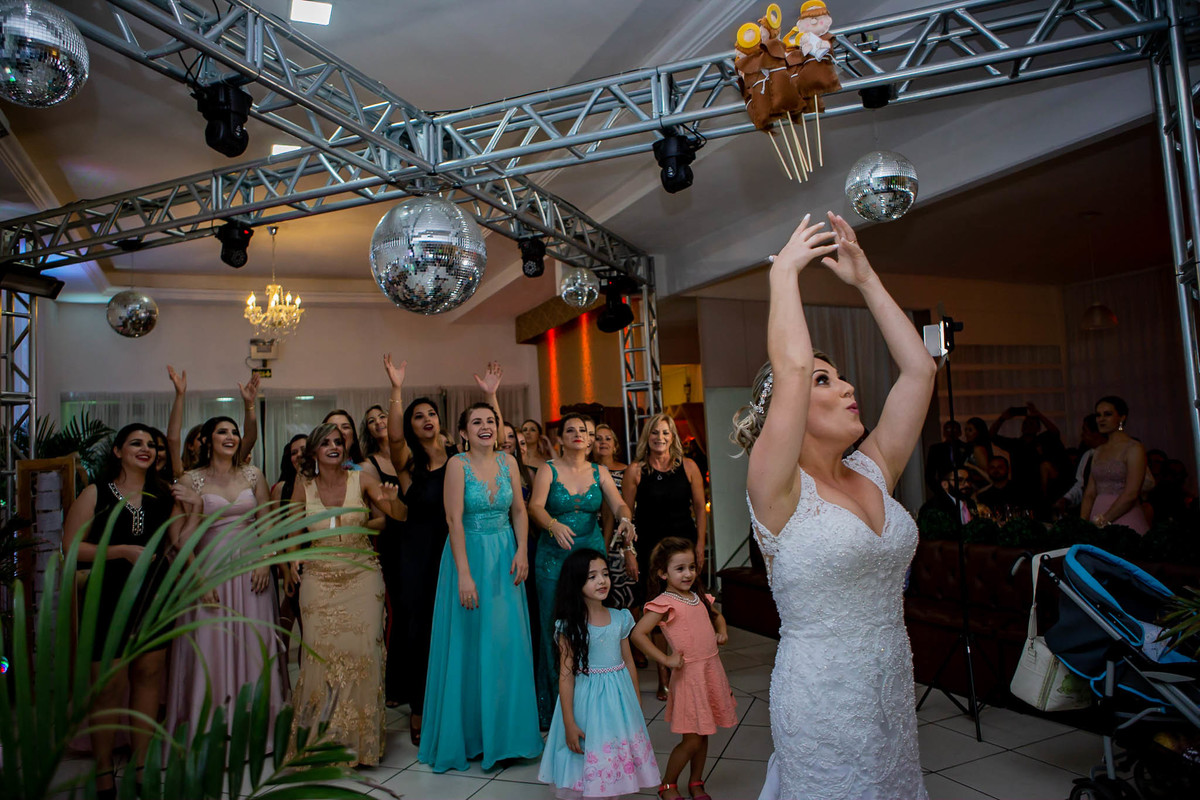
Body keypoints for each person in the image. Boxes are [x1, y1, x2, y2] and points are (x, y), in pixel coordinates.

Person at [734, 212, 933, 799]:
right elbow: (791, 368)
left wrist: (867, 279)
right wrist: (785, 277)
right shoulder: (776, 488)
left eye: (843, 377)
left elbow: (919, 369)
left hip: (891, 682)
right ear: (789, 412)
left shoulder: (876, 468)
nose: (848, 387)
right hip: (821, 696)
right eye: (826, 381)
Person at [62, 424, 199, 800]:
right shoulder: (96, 493)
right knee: (107, 687)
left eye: (151, 445)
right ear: (118, 450)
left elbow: (181, 545)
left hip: (155, 594)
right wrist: (120, 551)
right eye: (136, 443)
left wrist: (197, 508)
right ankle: (104, 773)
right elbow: (71, 548)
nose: (146, 449)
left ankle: (141, 767)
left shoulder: (161, 495)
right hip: (107, 597)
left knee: (149, 679)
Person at [383, 355, 504, 745]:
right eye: (418, 416)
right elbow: (395, 439)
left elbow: (496, 446)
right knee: (421, 634)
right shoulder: (407, 465)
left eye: (431, 413)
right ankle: (420, 710)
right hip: (418, 555)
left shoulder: (461, 457)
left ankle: (461, 709)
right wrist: (397, 390)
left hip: (458, 549)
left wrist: (490, 397)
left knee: (457, 633)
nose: (426, 420)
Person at [418, 401, 544, 773]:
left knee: (505, 645)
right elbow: (453, 520)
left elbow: (519, 511)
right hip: (469, 556)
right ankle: (472, 737)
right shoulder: (457, 465)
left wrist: (522, 550)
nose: (485, 426)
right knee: (470, 646)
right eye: (477, 422)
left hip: (505, 555)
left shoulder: (508, 462)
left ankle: (507, 737)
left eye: (490, 421)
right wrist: (464, 574)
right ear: (463, 432)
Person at [286, 422, 406, 767]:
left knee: (363, 654)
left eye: (338, 441)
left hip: (361, 577)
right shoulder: (303, 484)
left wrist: (393, 501)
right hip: (319, 579)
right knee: (321, 659)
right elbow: (292, 526)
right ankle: (320, 744)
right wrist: (291, 559)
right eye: (325, 443)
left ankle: (360, 747)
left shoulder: (362, 477)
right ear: (313, 452)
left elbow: (399, 516)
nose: (333, 447)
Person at [166, 416, 288, 741]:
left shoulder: (253, 474)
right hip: (211, 569)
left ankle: (258, 728)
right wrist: (197, 579)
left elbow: (267, 521)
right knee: (212, 646)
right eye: (223, 431)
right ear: (207, 440)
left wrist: (265, 559)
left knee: (254, 643)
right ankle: (212, 729)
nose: (231, 436)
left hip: (252, 572)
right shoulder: (191, 479)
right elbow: (178, 537)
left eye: (234, 432)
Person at [528, 413, 635, 728]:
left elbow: (619, 505)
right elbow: (535, 506)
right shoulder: (548, 470)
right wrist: (551, 523)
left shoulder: (600, 471)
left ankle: (593, 703)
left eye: (584, 431)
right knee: (554, 627)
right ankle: (554, 712)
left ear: (591, 440)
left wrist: (626, 519)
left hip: (590, 557)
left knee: (592, 625)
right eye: (570, 430)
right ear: (561, 437)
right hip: (553, 556)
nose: (578, 434)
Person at [538, 549, 659, 799]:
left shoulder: (620, 618)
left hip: (617, 702)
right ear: (576, 582)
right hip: (585, 703)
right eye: (592, 576)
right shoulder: (569, 625)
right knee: (587, 752)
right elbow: (566, 674)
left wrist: (636, 701)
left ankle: (608, 791)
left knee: (613, 753)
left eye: (605, 574)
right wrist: (569, 722)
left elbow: (628, 662)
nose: (602, 581)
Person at [631, 538, 736, 800]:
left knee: (705, 732)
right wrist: (665, 661)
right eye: (679, 569)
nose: (688, 573)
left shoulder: (698, 597)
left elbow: (717, 616)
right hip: (689, 677)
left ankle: (696, 781)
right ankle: (668, 783)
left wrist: (721, 632)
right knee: (692, 739)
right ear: (662, 573)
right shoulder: (665, 603)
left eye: (691, 567)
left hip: (710, 672)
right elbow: (638, 634)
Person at [621, 412, 706, 700]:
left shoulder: (689, 467)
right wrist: (628, 552)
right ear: (648, 437)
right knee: (657, 614)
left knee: (688, 611)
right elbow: (626, 516)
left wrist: (700, 546)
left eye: (666, 433)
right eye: (655, 433)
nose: (660, 438)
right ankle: (663, 677)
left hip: (684, 549)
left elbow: (699, 508)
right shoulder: (636, 471)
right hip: (650, 552)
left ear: (673, 438)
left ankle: (691, 671)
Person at [359, 403, 407, 709]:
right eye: (371, 419)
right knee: (398, 612)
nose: (378, 422)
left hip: (422, 538)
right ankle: (395, 684)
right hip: (392, 542)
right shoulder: (368, 465)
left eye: (382, 417)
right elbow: (380, 516)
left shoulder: (409, 456)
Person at [167, 366, 260, 476]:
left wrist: (249, 404)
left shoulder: (232, 464)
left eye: (234, 433)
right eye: (222, 432)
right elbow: (173, 439)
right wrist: (180, 395)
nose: (229, 437)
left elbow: (250, 437)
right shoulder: (186, 473)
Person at [1081, 395, 1149, 534]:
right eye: (1098, 415)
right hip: (1096, 519)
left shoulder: (1134, 448)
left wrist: (1104, 520)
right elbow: (1090, 492)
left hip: (1125, 519)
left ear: (1122, 418)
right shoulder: (1099, 451)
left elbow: (1131, 493)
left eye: (1108, 414)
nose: (1101, 419)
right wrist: (1082, 524)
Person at [594, 423, 637, 612]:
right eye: (598, 438)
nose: (603, 442)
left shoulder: (627, 471)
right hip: (593, 534)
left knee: (625, 596)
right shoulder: (587, 471)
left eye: (607, 438)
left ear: (615, 445)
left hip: (620, 538)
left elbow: (630, 508)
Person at [270, 434, 307, 643]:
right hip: (295, 567)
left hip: (322, 563)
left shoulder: (323, 483)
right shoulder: (281, 489)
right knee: (304, 631)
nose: (299, 455)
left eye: (303, 449)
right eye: (294, 452)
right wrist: (285, 571)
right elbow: (276, 535)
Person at [1054, 413, 1105, 515]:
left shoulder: (1121, 452)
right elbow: (1080, 485)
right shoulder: (1087, 455)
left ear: (1097, 433)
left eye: (1085, 431)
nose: (1082, 435)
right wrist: (1066, 499)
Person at [924, 420, 967, 496]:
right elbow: (930, 474)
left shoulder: (967, 448)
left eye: (954, 429)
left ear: (960, 432)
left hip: (964, 487)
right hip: (943, 489)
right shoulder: (936, 449)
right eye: (948, 429)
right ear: (944, 432)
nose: (951, 432)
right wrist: (939, 490)